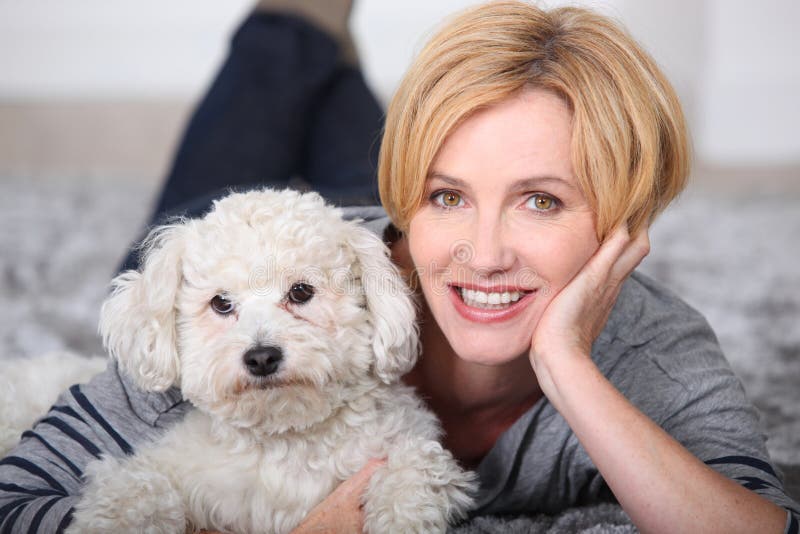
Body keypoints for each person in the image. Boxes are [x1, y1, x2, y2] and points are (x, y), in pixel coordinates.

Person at [1, 1, 798, 533]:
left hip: (377, 201)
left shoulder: (655, 348)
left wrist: (566, 368)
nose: (485, 253)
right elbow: (16, 500)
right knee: (281, 53)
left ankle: (334, 55)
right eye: (445, 197)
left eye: (543, 202)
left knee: (378, 114)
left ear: (625, 217)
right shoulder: (209, 315)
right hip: (302, 228)